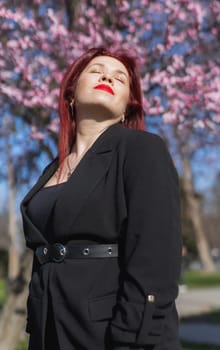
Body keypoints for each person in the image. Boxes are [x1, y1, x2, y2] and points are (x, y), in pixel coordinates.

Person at [20, 46, 182, 350]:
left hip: (112, 332)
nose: (107, 75)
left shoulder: (141, 149)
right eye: (96, 70)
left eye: (120, 78)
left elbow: (156, 253)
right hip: (49, 330)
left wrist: (133, 336)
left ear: (125, 109)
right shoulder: (51, 169)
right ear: (70, 94)